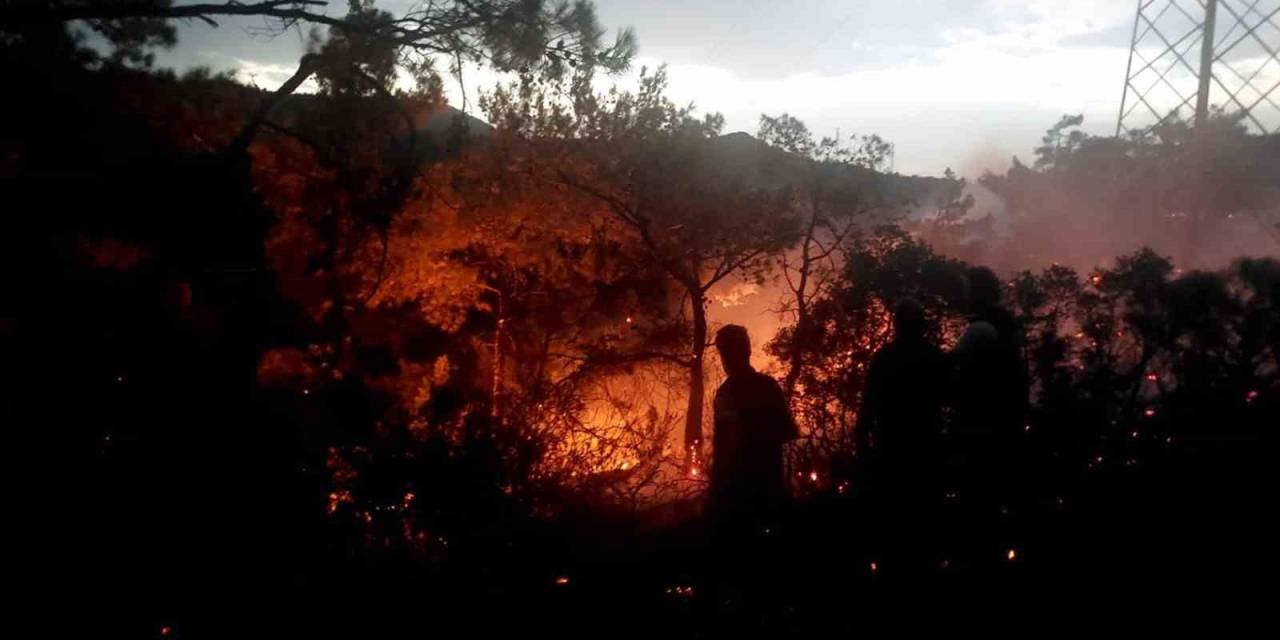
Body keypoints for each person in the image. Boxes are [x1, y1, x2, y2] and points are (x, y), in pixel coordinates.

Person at [856, 298, 948, 572]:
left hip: (892, 455)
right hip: (926, 455)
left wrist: (863, 450)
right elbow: (950, 401)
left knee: (893, 531)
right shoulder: (934, 358)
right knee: (924, 529)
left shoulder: (885, 359)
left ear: (897, 326)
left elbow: (868, 408)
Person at [948, 266, 1030, 559]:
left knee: (978, 501)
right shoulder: (1008, 325)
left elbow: (947, 366)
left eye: (968, 289)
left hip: (980, 426)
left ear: (977, 292)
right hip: (1006, 422)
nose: (964, 295)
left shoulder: (980, 329)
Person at [708, 324, 798, 529]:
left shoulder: (726, 394)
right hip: (772, 486)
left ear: (724, 356)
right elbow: (788, 431)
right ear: (748, 350)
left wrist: (716, 495)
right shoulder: (769, 385)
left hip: (740, 497)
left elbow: (723, 450)